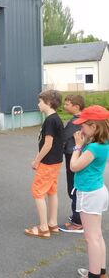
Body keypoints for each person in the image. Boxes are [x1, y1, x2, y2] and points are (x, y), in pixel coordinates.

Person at [70, 105, 109, 278]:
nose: (80, 128)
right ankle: (100, 271)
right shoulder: (102, 143)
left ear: (94, 127)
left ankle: (93, 275)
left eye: (83, 125)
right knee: (97, 235)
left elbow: (74, 166)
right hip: (97, 190)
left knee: (91, 238)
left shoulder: (93, 148)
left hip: (89, 193)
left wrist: (78, 147)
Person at [24, 90, 64, 238]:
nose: (38, 104)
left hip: (48, 163)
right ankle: (52, 223)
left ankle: (43, 228)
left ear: (48, 102)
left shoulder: (50, 120)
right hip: (56, 161)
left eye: (40, 101)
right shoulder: (56, 119)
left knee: (38, 193)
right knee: (52, 191)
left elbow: (47, 144)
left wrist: (36, 161)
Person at [60, 94, 85, 233]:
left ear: (76, 106)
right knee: (78, 186)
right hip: (80, 156)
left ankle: (77, 222)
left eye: (67, 104)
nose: (65, 106)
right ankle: (79, 216)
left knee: (74, 187)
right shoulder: (84, 119)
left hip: (73, 156)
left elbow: (63, 137)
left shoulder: (75, 122)